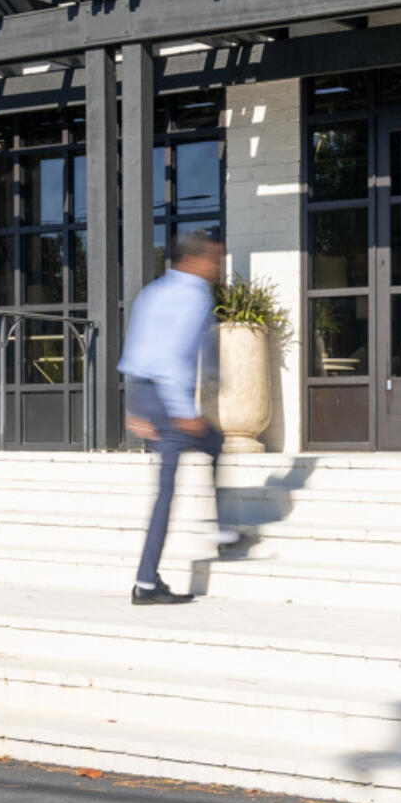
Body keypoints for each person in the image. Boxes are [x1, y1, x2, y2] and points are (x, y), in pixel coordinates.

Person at [116, 232, 240, 606]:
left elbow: (137, 351)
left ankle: (219, 533)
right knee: (169, 489)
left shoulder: (152, 292)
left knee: (210, 448)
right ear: (195, 261)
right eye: (215, 259)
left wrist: (136, 408)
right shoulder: (194, 294)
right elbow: (173, 356)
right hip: (167, 400)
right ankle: (147, 582)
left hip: (144, 392)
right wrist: (184, 413)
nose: (218, 267)